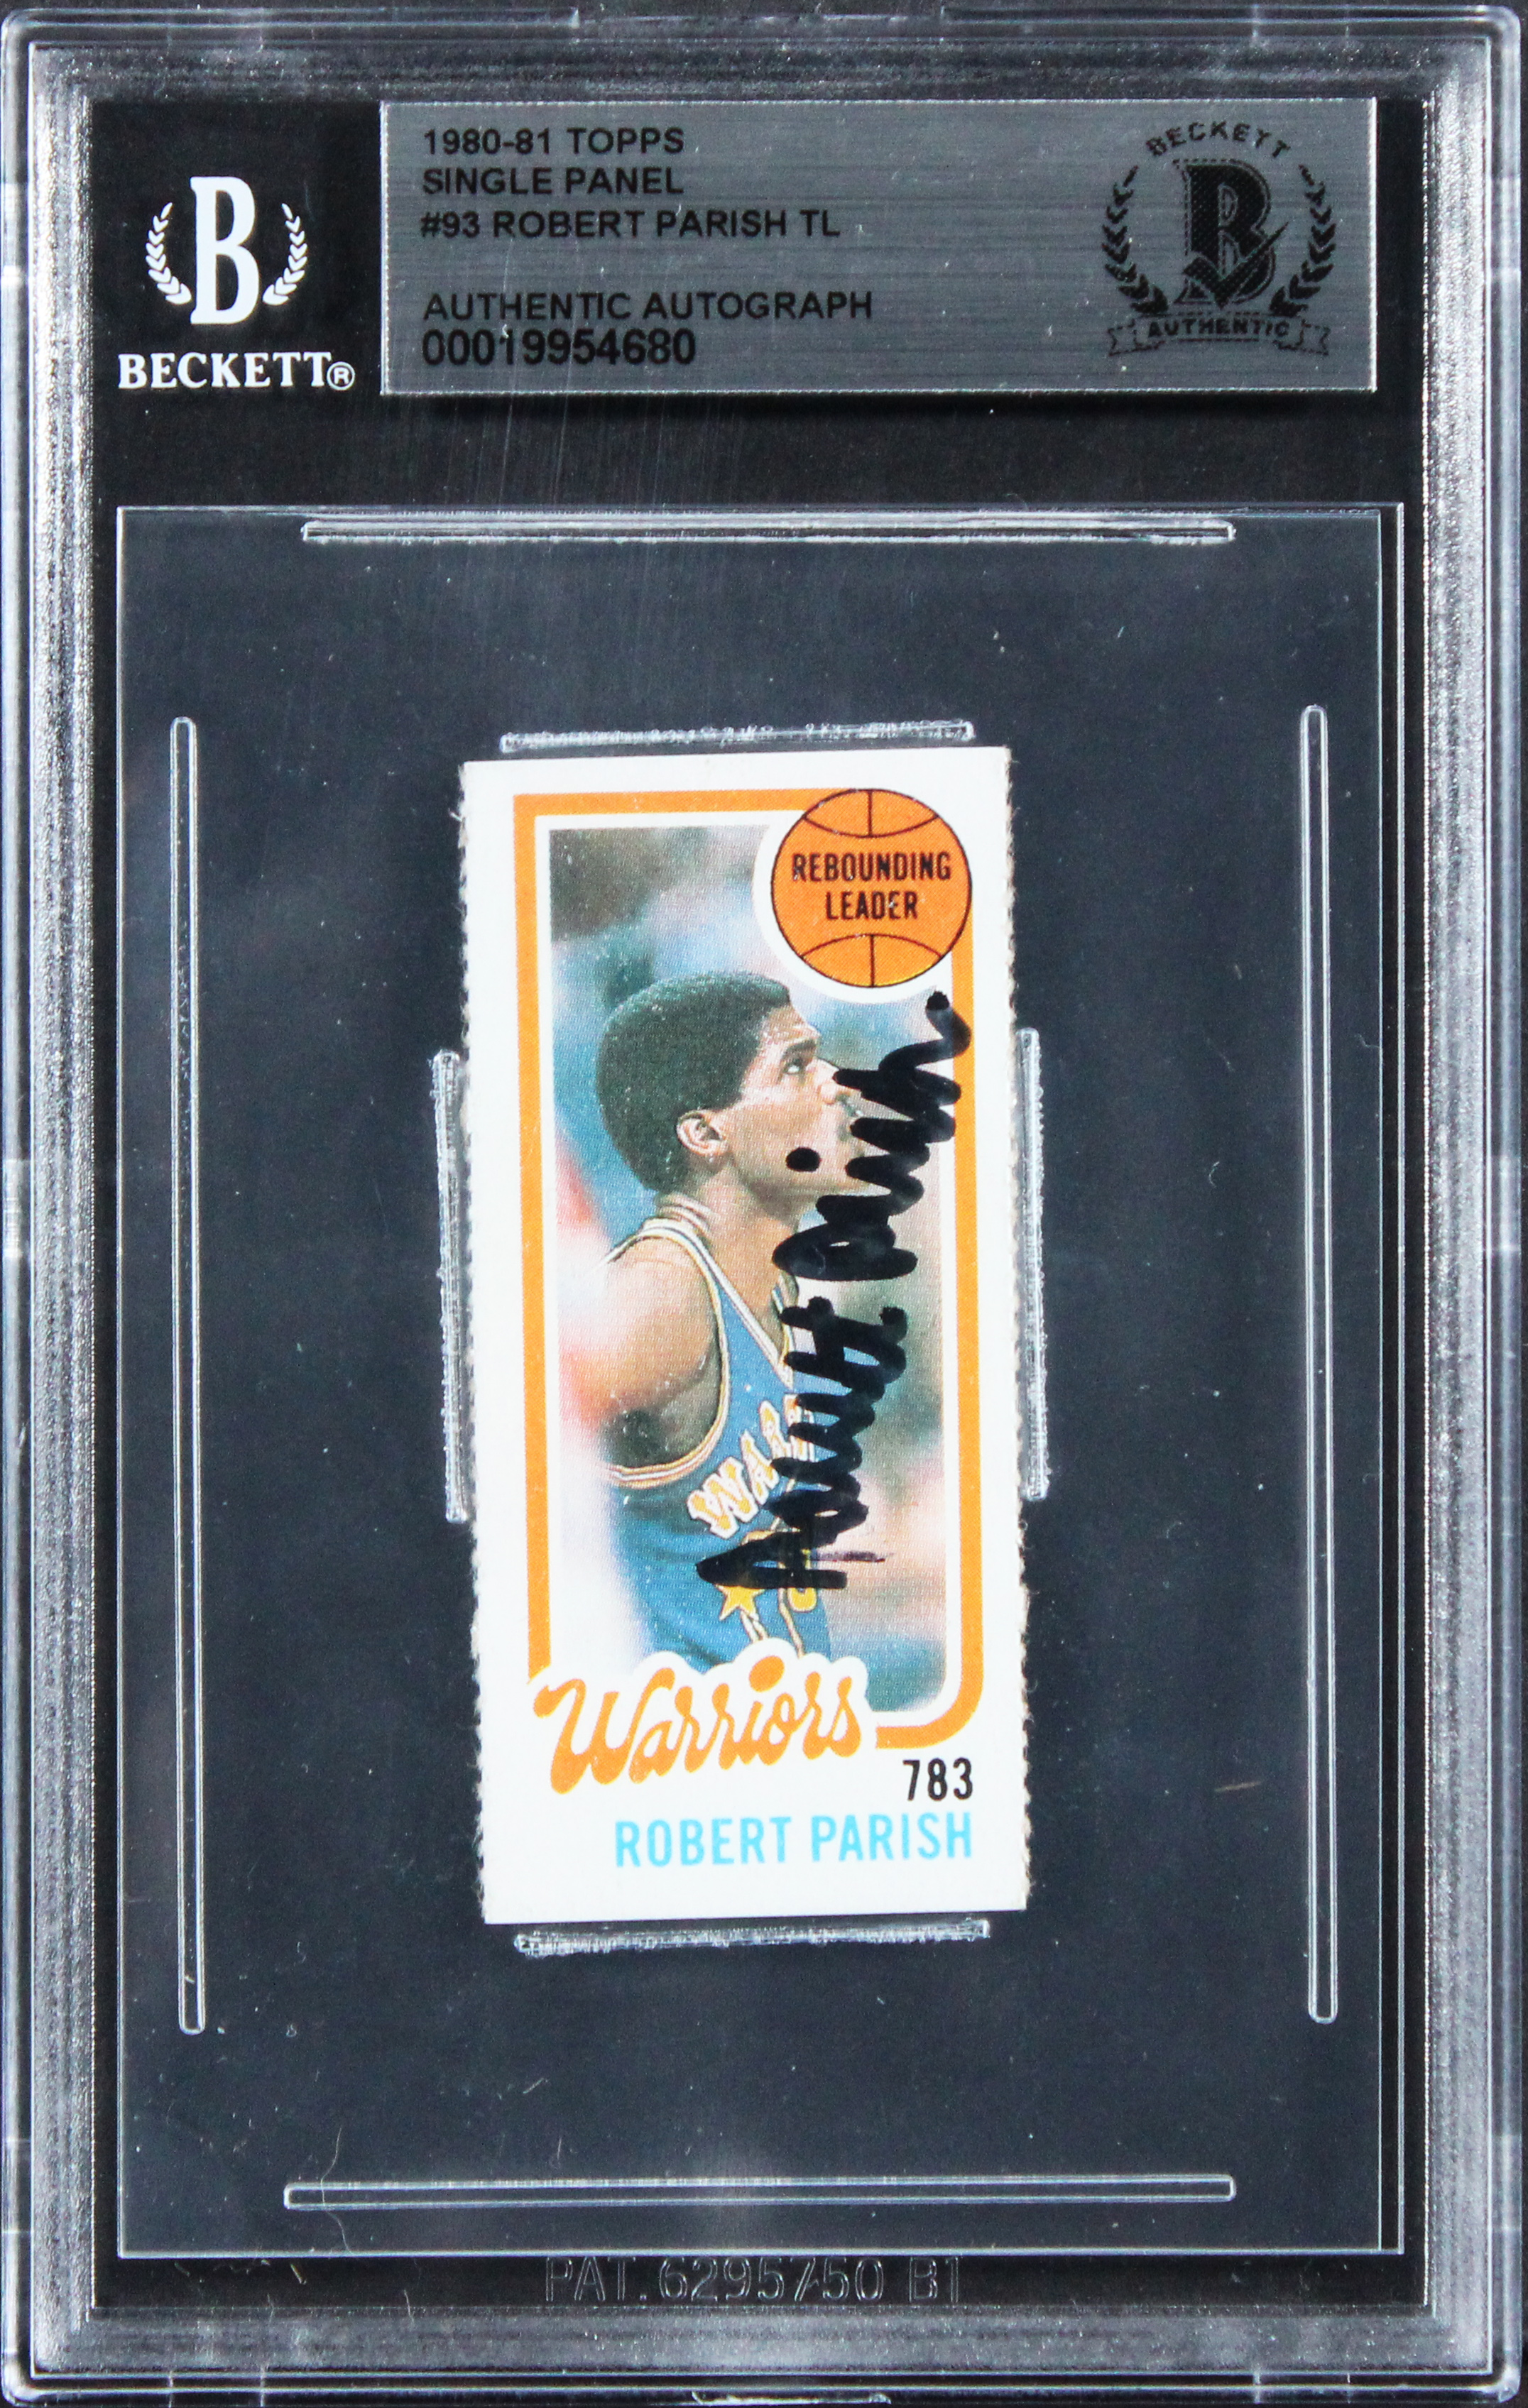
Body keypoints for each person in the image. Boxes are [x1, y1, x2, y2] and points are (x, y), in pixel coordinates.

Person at [589, 971, 859, 1668]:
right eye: (796, 1066)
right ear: (707, 1132)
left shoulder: (774, 1278)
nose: (835, 1083)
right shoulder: (663, 1296)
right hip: (679, 1725)